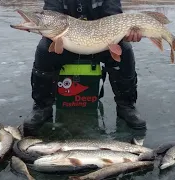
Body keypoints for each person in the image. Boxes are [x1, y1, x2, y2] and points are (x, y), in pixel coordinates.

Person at [20, 0, 146, 136]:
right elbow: (52, 16)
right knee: (44, 50)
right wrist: (40, 26)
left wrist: (129, 33)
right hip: (66, 43)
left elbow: (114, 17)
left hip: (101, 43)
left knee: (125, 50)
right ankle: (42, 107)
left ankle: (126, 106)